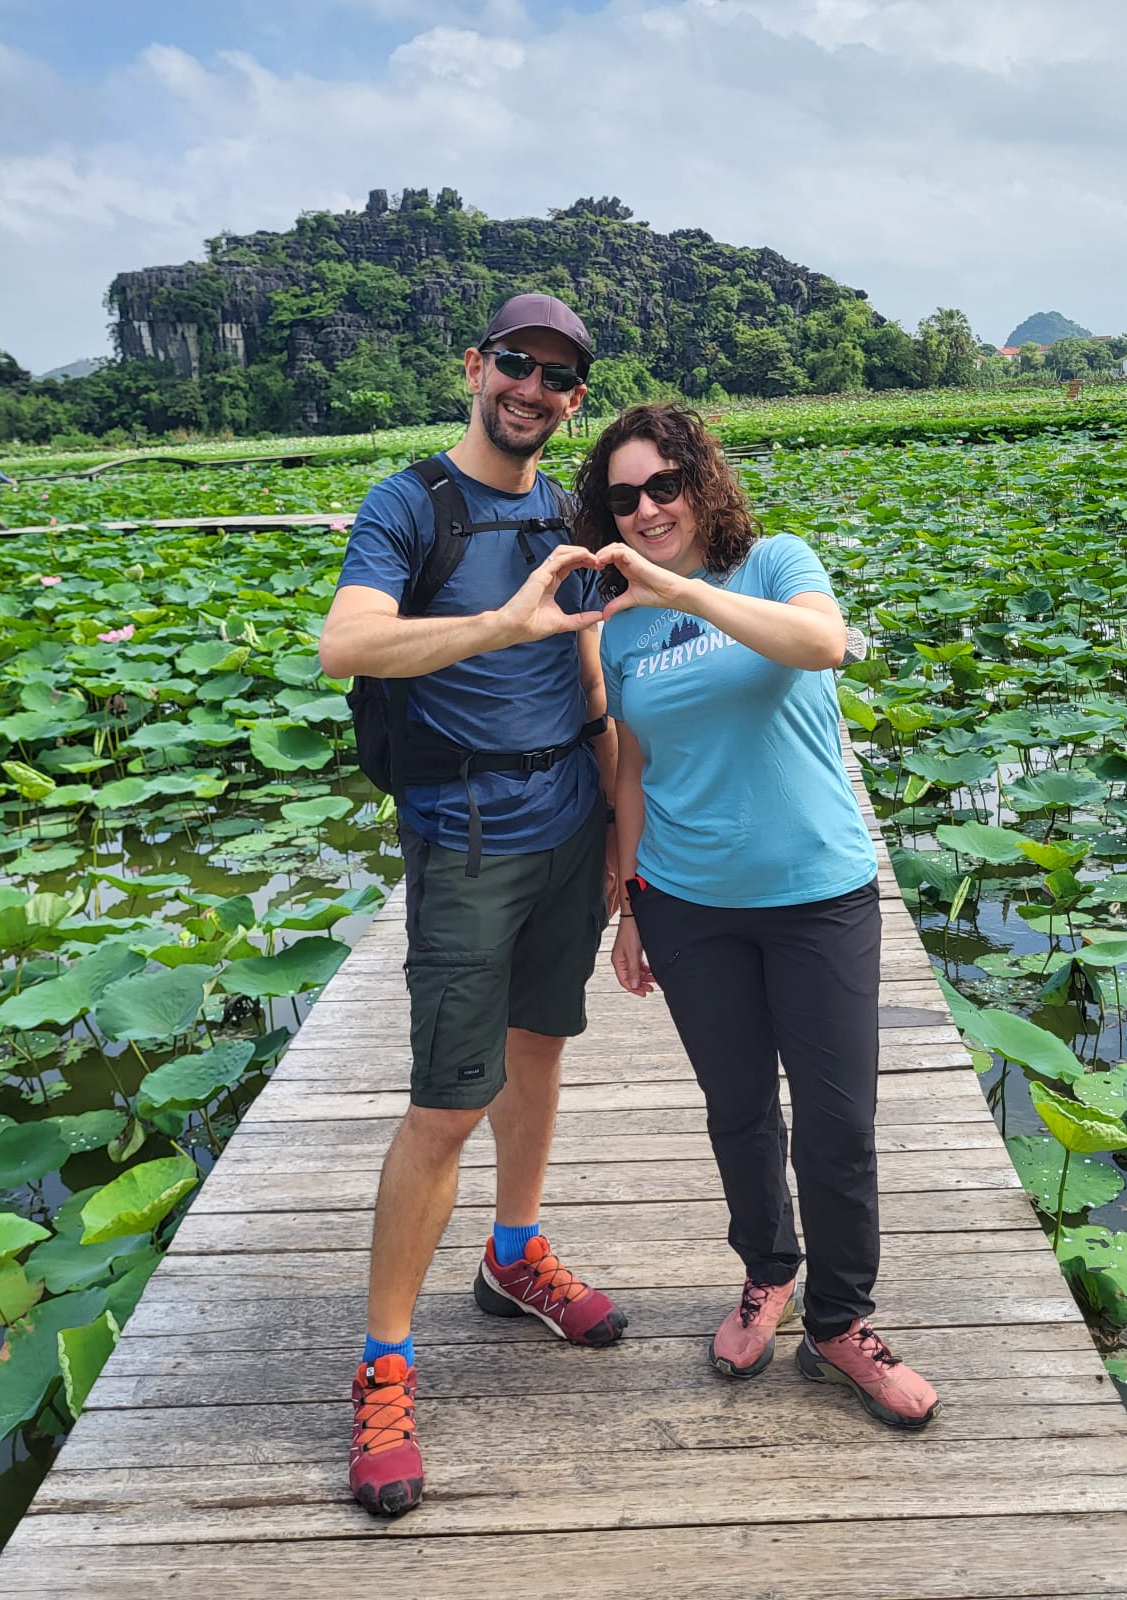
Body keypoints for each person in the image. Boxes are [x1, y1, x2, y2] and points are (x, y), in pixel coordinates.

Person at [318, 293, 627, 1520]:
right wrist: (499, 621)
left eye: (557, 376)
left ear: (573, 400)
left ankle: (514, 1255)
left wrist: (621, 827)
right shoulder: (412, 504)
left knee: (540, 1046)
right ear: (476, 366)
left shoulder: (569, 507)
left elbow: (587, 656)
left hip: (569, 816)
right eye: (517, 363)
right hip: (466, 830)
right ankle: (385, 1362)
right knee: (447, 1101)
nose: (533, 388)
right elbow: (347, 645)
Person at [577, 403, 939, 1431]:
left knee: (839, 1125)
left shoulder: (776, 561)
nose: (645, 509)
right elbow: (635, 766)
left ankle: (840, 1319)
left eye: (662, 485)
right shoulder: (620, 622)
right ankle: (767, 1272)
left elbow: (823, 644)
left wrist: (679, 587)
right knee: (737, 1110)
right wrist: (631, 901)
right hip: (690, 904)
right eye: (622, 496)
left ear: (701, 479)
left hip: (817, 894)